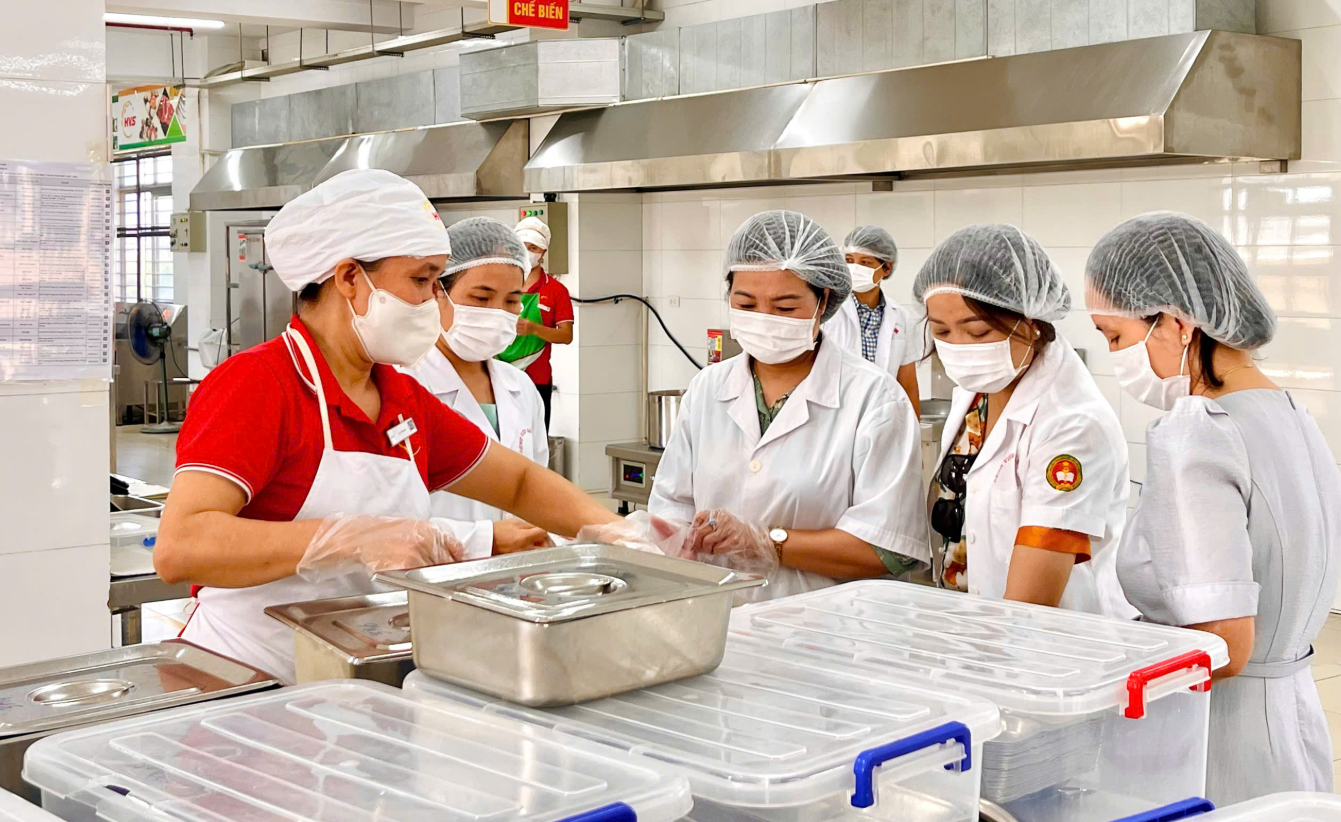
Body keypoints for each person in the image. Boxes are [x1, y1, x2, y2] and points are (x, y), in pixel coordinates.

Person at [156, 170, 645, 683]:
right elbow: (180, 546)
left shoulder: (399, 396)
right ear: (350, 279)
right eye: (421, 280)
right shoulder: (261, 383)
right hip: (244, 674)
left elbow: (519, 482)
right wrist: (345, 539)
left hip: (351, 674)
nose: (434, 302)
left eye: (437, 282)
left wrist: (623, 537)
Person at [1086, 211, 1340, 805]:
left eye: (1115, 337)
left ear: (1176, 323)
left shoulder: (1196, 431)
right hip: (1292, 723)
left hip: (1211, 738)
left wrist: (1095, 663)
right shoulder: (1293, 414)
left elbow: (1222, 641)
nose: (1115, 356)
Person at [649, 210, 928, 601]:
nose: (765, 319)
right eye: (746, 305)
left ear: (823, 301)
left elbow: (888, 549)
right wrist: (645, 539)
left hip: (830, 624)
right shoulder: (707, 389)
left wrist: (767, 542)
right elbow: (670, 510)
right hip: (720, 619)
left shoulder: (875, 398)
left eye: (784, 308)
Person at [915, 224, 1132, 615]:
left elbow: (1031, 603)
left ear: (1031, 321)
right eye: (941, 331)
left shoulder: (1072, 423)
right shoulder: (976, 391)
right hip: (975, 626)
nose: (958, 348)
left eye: (977, 332)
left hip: (1046, 639)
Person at [400, 217, 552, 560]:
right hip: (429, 577)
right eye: (482, 298)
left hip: (515, 576)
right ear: (437, 292)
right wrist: (485, 540)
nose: (497, 313)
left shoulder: (520, 387)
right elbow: (384, 520)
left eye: (511, 301)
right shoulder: (404, 383)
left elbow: (537, 491)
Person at [826, 225, 922, 415]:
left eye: (865, 262)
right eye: (849, 260)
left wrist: (914, 427)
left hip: (881, 414)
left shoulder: (900, 317)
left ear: (886, 268)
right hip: (835, 413)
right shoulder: (828, 309)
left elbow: (908, 383)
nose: (855, 268)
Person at [511, 216, 573, 427]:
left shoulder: (555, 290)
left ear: (543, 252)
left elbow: (566, 335)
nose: (527, 251)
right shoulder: (502, 284)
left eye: (533, 247)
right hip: (498, 375)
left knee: (535, 437)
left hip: (536, 379)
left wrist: (534, 329)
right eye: (523, 246)